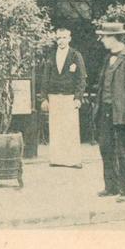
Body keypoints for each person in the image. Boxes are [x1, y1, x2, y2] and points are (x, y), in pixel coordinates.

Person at [92, 21, 125, 203]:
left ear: (115, 38)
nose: (102, 40)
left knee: (124, 151)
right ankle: (111, 187)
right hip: (106, 111)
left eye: (105, 36)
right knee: (106, 148)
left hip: (122, 113)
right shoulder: (108, 58)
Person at [38, 28, 87, 168]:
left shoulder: (75, 55)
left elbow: (81, 78)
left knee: (70, 129)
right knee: (56, 128)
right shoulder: (51, 56)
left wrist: (78, 97)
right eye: (59, 38)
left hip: (69, 97)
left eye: (64, 37)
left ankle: (73, 160)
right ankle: (57, 159)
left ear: (69, 38)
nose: (61, 41)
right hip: (54, 97)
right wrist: (44, 98)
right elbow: (45, 79)